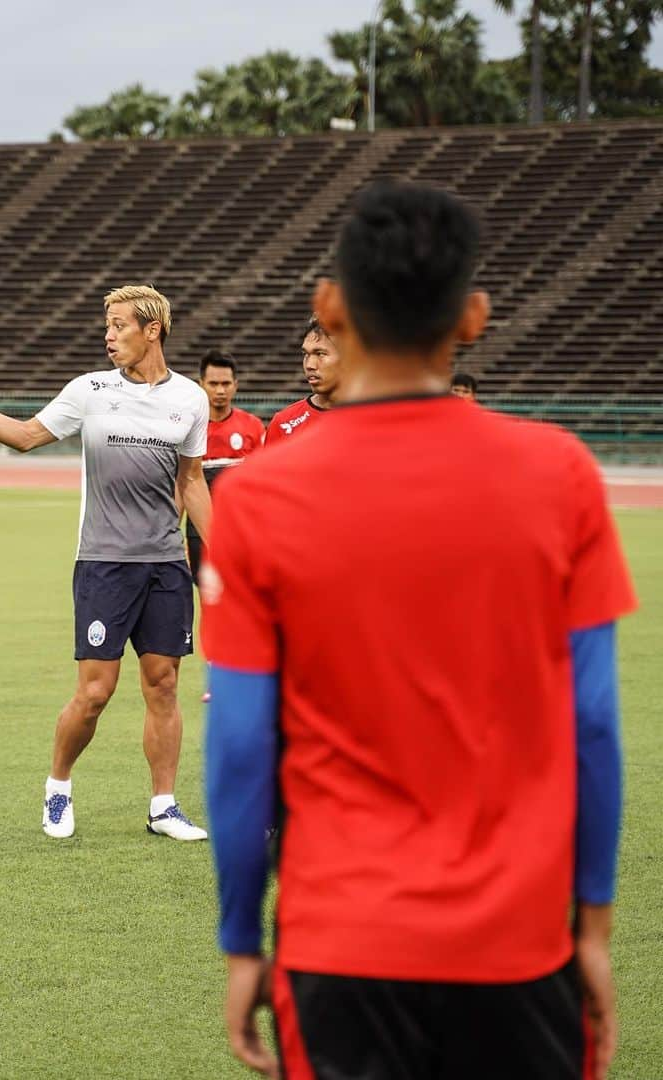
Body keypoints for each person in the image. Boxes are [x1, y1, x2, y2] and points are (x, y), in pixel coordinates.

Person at [201, 183, 636, 1079]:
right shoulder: (562, 476)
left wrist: (244, 942)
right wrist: (591, 924)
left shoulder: (259, 501)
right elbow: (593, 724)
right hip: (519, 947)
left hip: (341, 945)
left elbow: (241, 745)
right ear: (471, 317)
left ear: (330, 308)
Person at [0, 284, 212, 843]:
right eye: (107, 326)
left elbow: (192, 481)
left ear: (151, 330)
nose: (108, 336)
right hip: (104, 563)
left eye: (119, 325)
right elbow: (24, 436)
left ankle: (163, 805)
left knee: (163, 686)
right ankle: (58, 787)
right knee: (95, 693)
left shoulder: (190, 398)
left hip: (164, 564)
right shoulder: (88, 391)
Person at [185, 350, 265, 582]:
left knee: (243, 589)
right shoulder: (189, 431)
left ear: (235, 385)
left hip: (242, 527)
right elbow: (183, 484)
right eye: (213, 383)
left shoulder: (253, 427)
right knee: (207, 590)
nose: (220, 390)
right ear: (201, 384)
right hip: (198, 530)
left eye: (226, 383)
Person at [264, 315, 341, 446]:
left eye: (320, 354)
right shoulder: (284, 423)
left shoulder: (376, 419)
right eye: (306, 354)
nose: (309, 365)